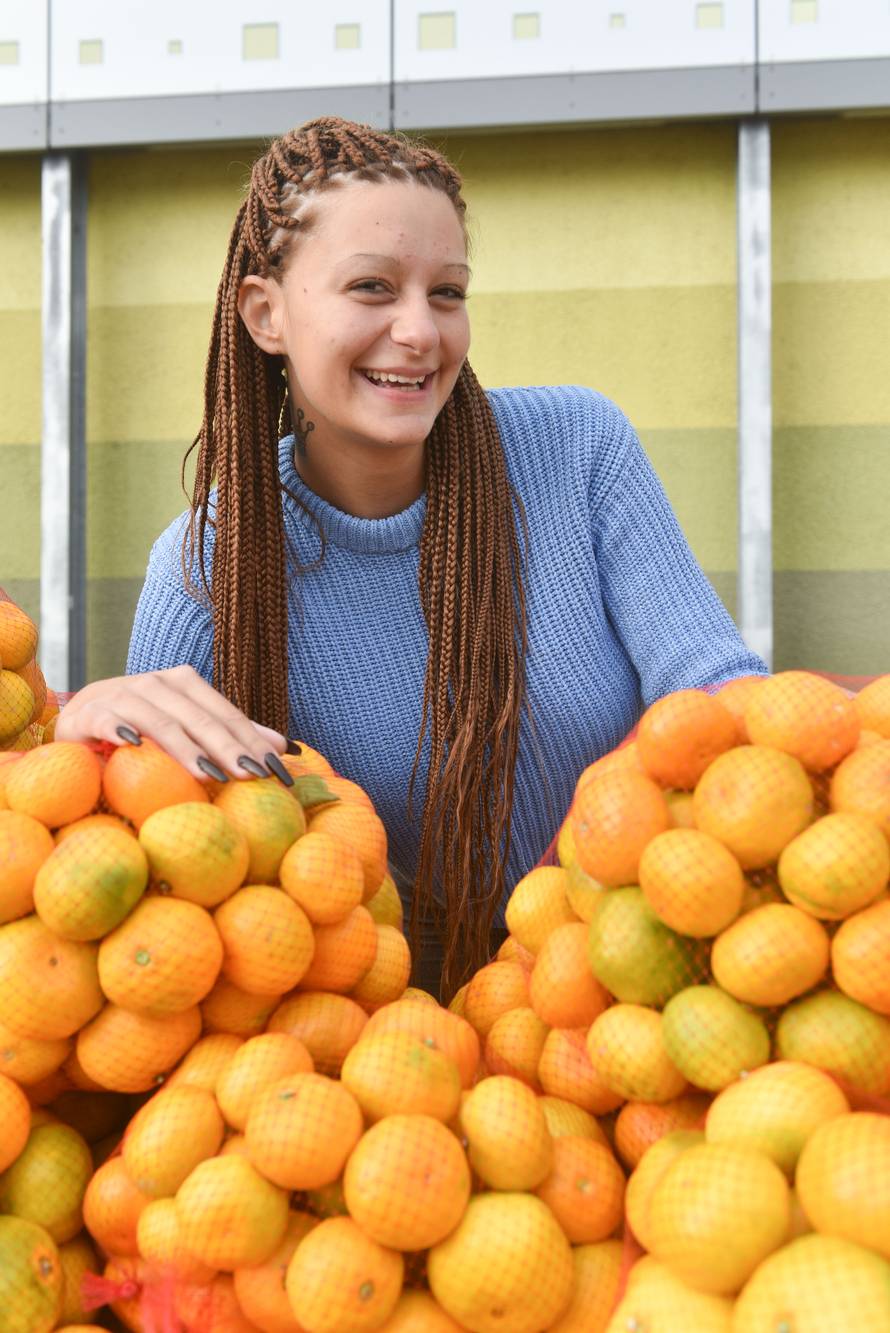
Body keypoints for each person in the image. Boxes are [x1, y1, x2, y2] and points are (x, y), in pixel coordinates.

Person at [57, 116, 767, 994]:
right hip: (375, 1050)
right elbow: (169, 857)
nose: (419, 332)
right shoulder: (208, 569)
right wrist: (82, 734)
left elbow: (723, 695)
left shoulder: (579, 450)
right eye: (371, 287)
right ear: (266, 313)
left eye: (447, 292)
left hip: (638, 988)